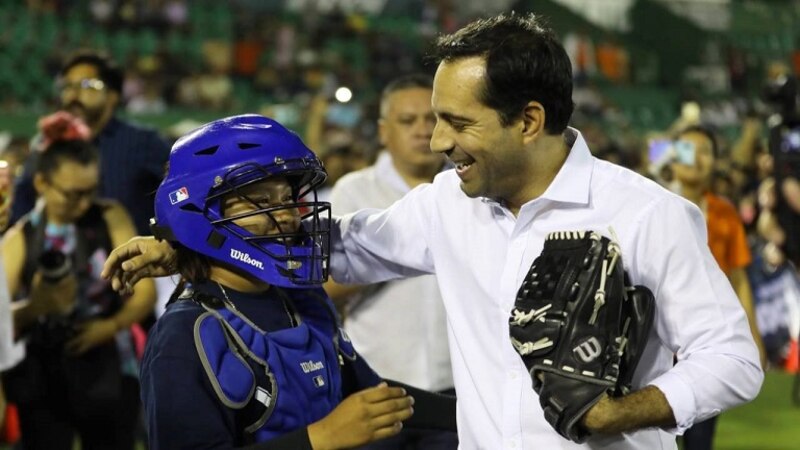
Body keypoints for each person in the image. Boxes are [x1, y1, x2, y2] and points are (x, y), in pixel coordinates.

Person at [102, 14, 763, 449]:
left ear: (528, 120)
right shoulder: (449, 201)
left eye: (457, 122)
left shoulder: (649, 214)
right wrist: (181, 242)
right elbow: (347, 245)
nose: (438, 141)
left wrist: (622, 412)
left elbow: (733, 362)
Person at [131, 114, 455, 449]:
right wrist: (319, 439)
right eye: (262, 202)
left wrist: (469, 413)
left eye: (287, 199)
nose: (286, 215)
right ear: (199, 214)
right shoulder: (185, 334)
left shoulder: (304, 299)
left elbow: (375, 398)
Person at [1, 113, 156, 450]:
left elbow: (145, 292)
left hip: (111, 365)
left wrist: (108, 326)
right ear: (42, 183)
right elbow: (2, 318)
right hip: (44, 374)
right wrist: (36, 307)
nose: (84, 203)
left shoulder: (109, 216)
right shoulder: (20, 238)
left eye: (91, 191)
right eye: (73, 194)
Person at [324, 74, 457, 449]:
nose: (421, 130)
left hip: (457, 383)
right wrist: (395, 246)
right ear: (384, 131)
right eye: (407, 121)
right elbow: (324, 285)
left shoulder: (471, 192)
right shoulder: (355, 190)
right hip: (377, 382)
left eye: (431, 119)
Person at [669, 125, 766, 450]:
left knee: (700, 439)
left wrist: (753, 336)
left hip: (709, 342)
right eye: (687, 150)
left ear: (716, 162)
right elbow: (652, 149)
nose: (696, 158)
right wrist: (670, 141)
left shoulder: (725, 212)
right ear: (673, 157)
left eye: (705, 151)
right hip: (660, 341)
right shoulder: (656, 206)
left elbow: (739, 279)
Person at [11, 49, 170, 235]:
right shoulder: (48, 143)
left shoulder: (144, 142)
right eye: (67, 86)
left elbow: (182, 194)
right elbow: (21, 205)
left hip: (129, 258)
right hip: (62, 256)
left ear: (112, 95)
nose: (73, 95)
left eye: (86, 85)